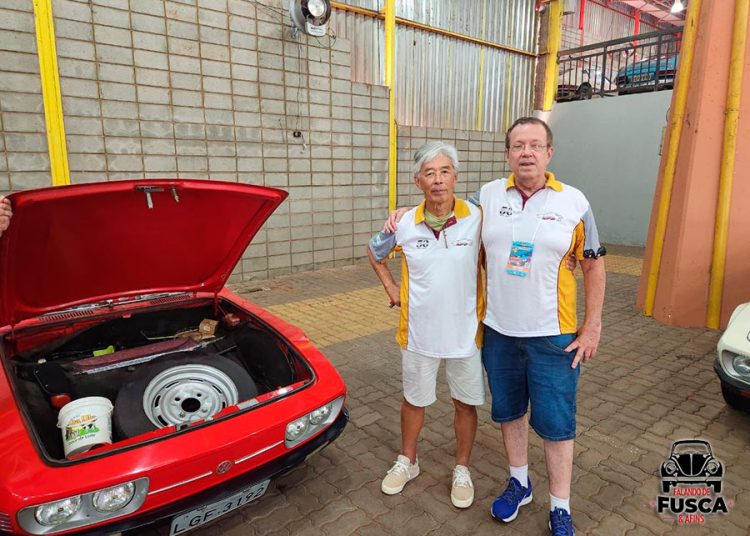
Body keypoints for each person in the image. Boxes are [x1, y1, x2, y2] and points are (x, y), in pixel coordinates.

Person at [386, 117, 606, 536]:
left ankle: (560, 506)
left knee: (556, 423)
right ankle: (519, 484)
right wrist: (403, 216)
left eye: (535, 145)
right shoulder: (486, 197)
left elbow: (594, 265)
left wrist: (592, 326)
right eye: (518, 145)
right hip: (499, 332)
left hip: (554, 335)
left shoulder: (575, 202)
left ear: (549, 153)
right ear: (507, 154)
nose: (527, 153)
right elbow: (442, 205)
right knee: (510, 413)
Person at [367, 141, 485, 509]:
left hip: (466, 334)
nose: (438, 180)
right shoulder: (403, 223)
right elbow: (374, 251)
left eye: (444, 171)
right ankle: (408, 460)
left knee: (465, 404)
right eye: (429, 173)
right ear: (417, 181)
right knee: (413, 401)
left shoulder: (477, 217)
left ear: (456, 177)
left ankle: (462, 468)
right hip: (418, 333)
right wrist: (391, 288)